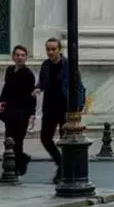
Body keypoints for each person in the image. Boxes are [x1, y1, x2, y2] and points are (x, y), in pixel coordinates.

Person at [33, 37, 86, 184]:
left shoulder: (68, 64)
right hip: (49, 108)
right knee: (45, 137)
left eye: (53, 49)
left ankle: (65, 171)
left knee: (65, 140)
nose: (50, 52)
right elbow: (42, 82)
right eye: (48, 49)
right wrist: (37, 88)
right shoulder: (45, 65)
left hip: (65, 109)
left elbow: (79, 85)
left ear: (59, 50)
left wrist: (79, 107)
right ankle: (61, 163)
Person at [0, 45, 36, 175]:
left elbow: (32, 96)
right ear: (13, 57)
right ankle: (16, 162)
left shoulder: (28, 74)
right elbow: (6, 89)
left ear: (26, 57)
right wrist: (1, 102)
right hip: (10, 111)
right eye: (17, 55)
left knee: (18, 140)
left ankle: (17, 166)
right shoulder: (9, 70)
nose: (19, 58)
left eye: (22, 55)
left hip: (22, 112)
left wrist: (32, 114)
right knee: (9, 139)